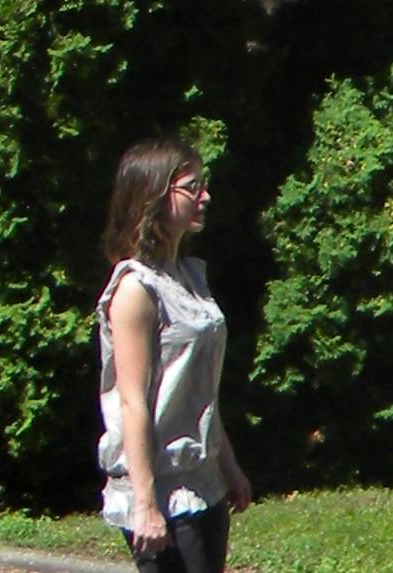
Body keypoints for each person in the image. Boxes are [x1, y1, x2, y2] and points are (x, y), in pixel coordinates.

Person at [96, 136, 254, 571]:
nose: (205, 197)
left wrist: (229, 465)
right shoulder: (135, 288)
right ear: (154, 196)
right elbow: (134, 402)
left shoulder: (186, 278)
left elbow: (196, 389)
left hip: (203, 485)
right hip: (164, 493)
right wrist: (145, 505)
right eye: (192, 186)